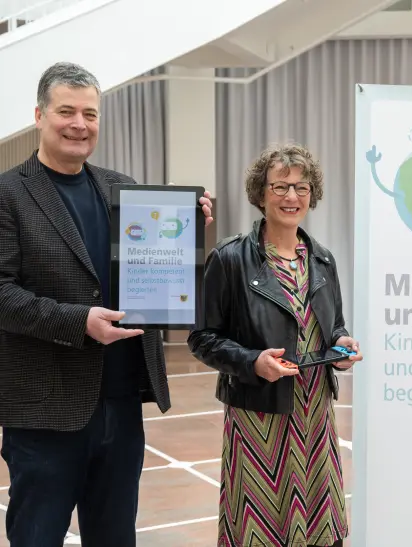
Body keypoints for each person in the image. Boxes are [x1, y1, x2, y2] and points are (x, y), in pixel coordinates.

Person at [0, 61, 214, 546]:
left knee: (116, 536)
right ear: (39, 115)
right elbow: (2, 293)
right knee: (37, 536)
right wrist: (80, 322)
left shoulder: (122, 186)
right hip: (45, 409)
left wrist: (184, 232)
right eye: (67, 111)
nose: (80, 124)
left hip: (121, 400)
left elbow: (146, 266)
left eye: (90, 114)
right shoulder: (7, 194)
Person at [188, 142, 362, 547]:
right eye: (280, 186)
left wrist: (341, 346)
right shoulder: (230, 258)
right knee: (258, 529)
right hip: (259, 418)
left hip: (314, 415)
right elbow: (201, 338)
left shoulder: (322, 260)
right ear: (260, 193)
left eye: (301, 188)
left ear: (312, 195)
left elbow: (332, 326)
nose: (291, 197)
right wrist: (252, 362)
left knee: (319, 529)